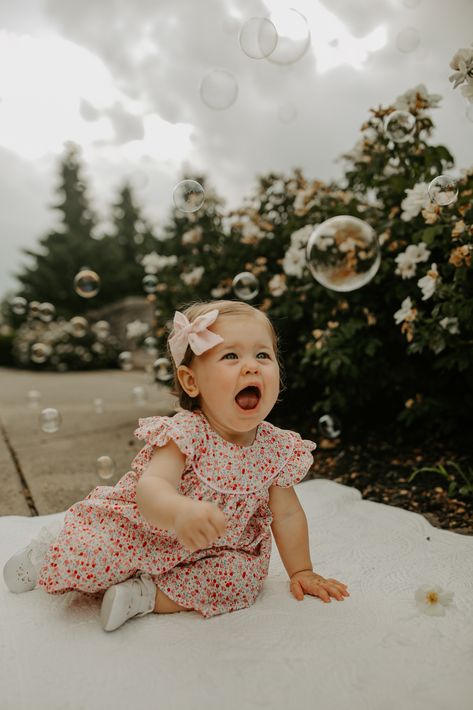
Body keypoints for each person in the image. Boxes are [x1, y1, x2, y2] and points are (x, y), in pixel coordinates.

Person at [3, 299, 349, 631]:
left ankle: (144, 595)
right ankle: (48, 551)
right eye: (230, 355)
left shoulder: (276, 447)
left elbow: (287, 514)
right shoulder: (185, 433)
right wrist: (180, 512)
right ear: (191, 381)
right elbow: (151, 489)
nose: (251, 365)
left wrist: (302, 570)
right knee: (94, 554)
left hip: (217, 548)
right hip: (145, 530)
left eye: (263, 354)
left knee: (242, 581)